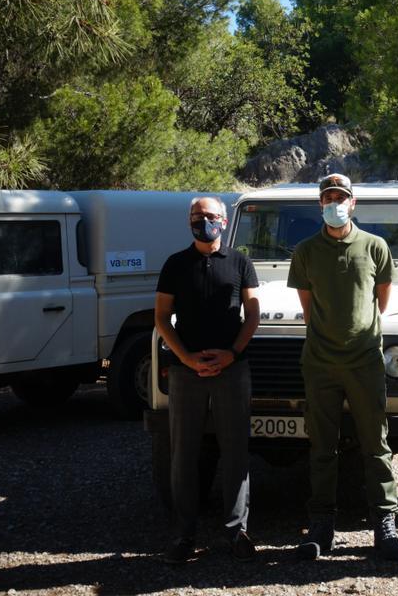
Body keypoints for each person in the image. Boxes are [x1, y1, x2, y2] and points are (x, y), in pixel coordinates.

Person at [288, 173, 398, 561]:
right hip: (320, 363)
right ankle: (321, 526)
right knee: (322, 447)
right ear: (320, 204)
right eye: (328, 198)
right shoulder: (305, 251)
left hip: (365, 361)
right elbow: (309, 308)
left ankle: (384, 524)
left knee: (376, 445)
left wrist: (359, 335)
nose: (334, 203)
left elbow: (380, 300)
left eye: (341, 197)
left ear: (353, 203)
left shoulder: (375, 247)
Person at [154, 196, 260, 565]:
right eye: (197, 217)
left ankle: (237, 531)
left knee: (236, 452)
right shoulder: (175, 265)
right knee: (183, 454)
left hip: (233, 369)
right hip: (186, 372)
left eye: (211, 216)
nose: (204, 222)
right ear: (189, 222)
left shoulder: (240, 262)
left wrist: (231, 353)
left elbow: (252, 315)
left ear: (224, 220)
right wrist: (185, 358)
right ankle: (183, 535)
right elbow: (162, 319)